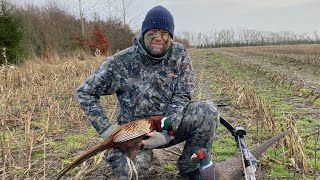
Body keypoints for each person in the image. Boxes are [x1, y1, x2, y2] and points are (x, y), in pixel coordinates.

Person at [76, 5, 219, 180]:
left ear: (170, 36)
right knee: (131, 175)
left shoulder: (179, 54)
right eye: (152, 32)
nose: (158, 37)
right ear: (144, 33)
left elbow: (182, 95)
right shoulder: (121, 62)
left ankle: (191, 168)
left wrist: (167, 134)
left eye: (164, 33)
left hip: (169, 127)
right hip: (134, 135)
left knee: (207, 111)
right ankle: (126, 156)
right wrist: (106, 129)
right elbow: (85, 92)